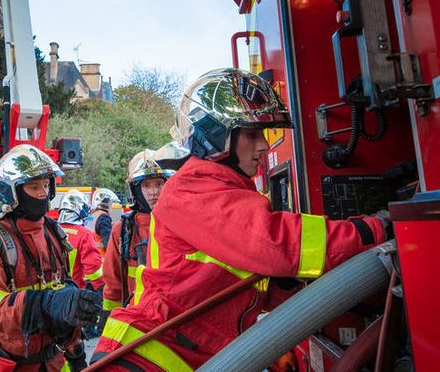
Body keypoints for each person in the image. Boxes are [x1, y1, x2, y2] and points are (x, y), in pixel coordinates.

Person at [92, 68, 392, 371]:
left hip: (179, 353)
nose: (263, 145)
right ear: (217, 136)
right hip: (141, 359)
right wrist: (377, 229)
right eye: (252, 133)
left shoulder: (224, 192)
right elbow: (276, 244)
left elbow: (243, 282)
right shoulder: (192, 189)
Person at [0, 145, 103, 372]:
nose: (43, 194)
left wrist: (76, 351)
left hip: (53, 363)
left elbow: (58, 294)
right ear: (11, 191)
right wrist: (44, 303)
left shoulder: (53, 233)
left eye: (46, 185)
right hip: (6, 364)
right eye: (34, 186)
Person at [100, 146, 181, 311]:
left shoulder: (183, 224)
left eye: (159, 184)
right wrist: (109, 315)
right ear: (135, 190)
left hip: (176, 314)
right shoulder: (122, 231)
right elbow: (114, 282)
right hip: (137, 315)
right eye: (146, 185)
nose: (153, 192)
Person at [53, 189, 105, 291]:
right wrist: (102, 288)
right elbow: (93, 268)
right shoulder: (84, 234)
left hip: (50, 294)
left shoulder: (51, 230)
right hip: (74, 293)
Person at [89, 188, 118, 252]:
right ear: (107, 205)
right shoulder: (104, 217)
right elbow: (108, 243)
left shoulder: (91, 216)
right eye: (111, 204)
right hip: (101, 258)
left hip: (90, 256)